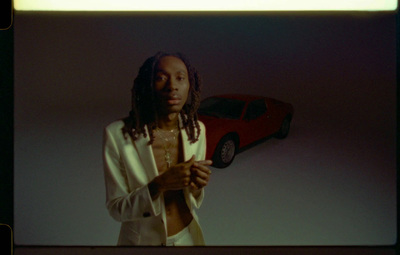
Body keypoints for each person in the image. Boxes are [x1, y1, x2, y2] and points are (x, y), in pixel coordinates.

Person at [103, 52, 212, 246]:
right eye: (161, 78)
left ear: (190, 85)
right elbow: (116, 209)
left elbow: (194, 200)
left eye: (180, 78)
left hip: (187, 238)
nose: (172, 86)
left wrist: (197, 186)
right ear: (148, 86)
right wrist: (158, 185)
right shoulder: (117, 135)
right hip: (142, 243)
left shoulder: (196, 131)